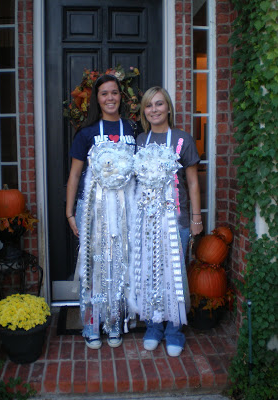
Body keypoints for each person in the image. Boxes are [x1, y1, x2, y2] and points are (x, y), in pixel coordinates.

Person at [128, 86, 203, 357]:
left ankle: (174, 330)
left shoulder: (182, 140)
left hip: (177, 220)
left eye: (159, 104)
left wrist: (196, 218)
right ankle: (153, 326)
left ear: (168, 108)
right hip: (145, 221)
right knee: (149, 274)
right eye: (149, 105)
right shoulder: (138, 141)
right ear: (144, 111)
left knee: (174, 275)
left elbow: (192, 183)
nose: (154, 110)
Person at [66, 74, 136, 350]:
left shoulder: (132, 129)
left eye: (114, 93)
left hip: (123, 210)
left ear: (121, 96)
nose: (110, 98)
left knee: (120, 266)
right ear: (97, 99)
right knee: (92, 268)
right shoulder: (86, 134)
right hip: (92, 211)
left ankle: (115, 323)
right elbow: (74, 176)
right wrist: (70, 213)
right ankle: (91, 325)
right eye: (104, 93)